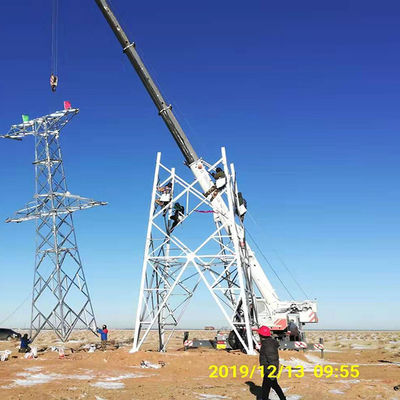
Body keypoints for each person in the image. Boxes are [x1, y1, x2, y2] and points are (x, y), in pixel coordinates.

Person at [258, 326, 286, 400]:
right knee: (275, 385)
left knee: (265, 390)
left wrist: (272, 373)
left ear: (261, 335)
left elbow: (272, 359)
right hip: (269, 370)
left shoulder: (268, 345)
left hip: (269, 371)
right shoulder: (267, 343)